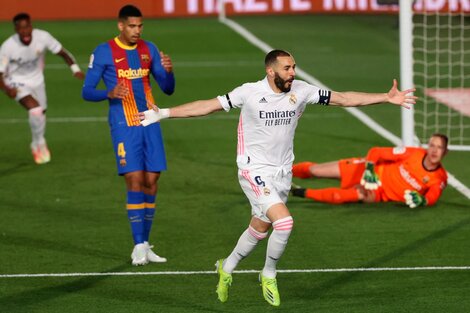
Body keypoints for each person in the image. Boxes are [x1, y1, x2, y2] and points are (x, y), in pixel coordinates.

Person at [137, 49, 416, 306]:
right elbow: (208, 106)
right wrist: (164, 113)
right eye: (287, 68)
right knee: (284, 222)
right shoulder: (249, 93)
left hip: (282, 173)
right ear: (271, 71)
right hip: (253, 171)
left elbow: (343, 98)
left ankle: (227, 266)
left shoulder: (302, 91)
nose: (293, 72)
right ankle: (268, 273)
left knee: (260, 227)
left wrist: (386, 97)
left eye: (294, 67)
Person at [81, 5, 175, 266]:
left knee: (152, 180)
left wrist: (169, 71)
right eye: (132, 26)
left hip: (150, 120)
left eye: (140, 26)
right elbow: (86, 91)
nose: (137, 31)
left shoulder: (149, 49)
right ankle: (137, 245)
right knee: (134, 179)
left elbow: (167, 89)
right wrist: (108, 92)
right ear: (121, 26)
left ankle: (145, 243)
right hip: (123, 123)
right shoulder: (103, 51)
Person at [0, 12, 84, 164]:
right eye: (21, 29)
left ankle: (37, 140)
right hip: (15, 82)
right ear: (16, 30)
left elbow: (63, 53)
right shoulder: (8, 47)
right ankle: (38, 143)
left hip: (38, 81)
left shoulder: (43, 37)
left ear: (31, 26)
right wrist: (7, 89)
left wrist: (75, 69)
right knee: (35, 110)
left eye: (27, 27)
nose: (25, 32)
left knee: (41, 114)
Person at [291, 134, 448, 208]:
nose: (434, 151)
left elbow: (432, 196)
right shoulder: (413, 153)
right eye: (432, 145)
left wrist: (423, 201)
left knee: (345, 195)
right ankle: (283, 171)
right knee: (314, 170)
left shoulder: (440, 178)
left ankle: (296, 192)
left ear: (445, 152)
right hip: (366, 170)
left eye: (439, 147)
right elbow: (376, 151)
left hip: (378, 192)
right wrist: (370, 169)